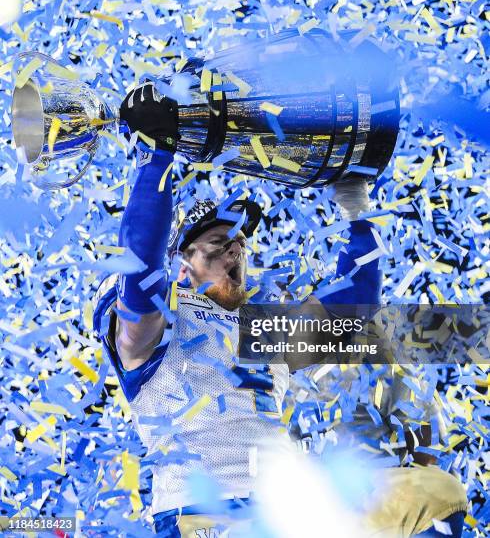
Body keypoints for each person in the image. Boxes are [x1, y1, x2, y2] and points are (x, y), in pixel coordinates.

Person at [93, 84, 467, 537]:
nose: (235, 255)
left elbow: (356, 300)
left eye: (239, 245)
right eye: (217, 246)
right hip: (207, 513)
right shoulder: (161, 320)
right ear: (180, 264)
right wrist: (157, 156)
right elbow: (139, 267)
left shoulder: (263, 328)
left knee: (432, 494)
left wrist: (355, 207)